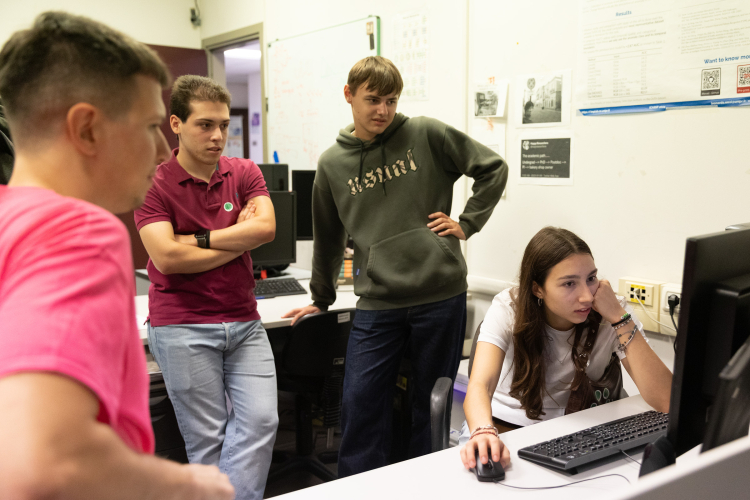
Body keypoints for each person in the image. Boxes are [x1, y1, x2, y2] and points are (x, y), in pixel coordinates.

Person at [0, 12, 234, 499]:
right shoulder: (77, 233)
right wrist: (188, 486)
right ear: (86, 129)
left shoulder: (11, 223)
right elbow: (47, 459)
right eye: (150, 126)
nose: (162, 150)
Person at [283, 56, 509, 476]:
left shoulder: (426, 133)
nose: (383, 110)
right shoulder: (332, 164)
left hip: (440, 296)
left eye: (391, 100)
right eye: (373, 99)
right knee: (359, 406)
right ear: (349, 95)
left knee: (431, 407)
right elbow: (328, 238)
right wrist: (321, 298)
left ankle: (427, 484)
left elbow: (492, 169)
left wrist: (467, 223)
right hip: (378, 303)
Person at [135, 75, 278, 500]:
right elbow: (166, 258)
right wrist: (237, 240)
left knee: (262, 421)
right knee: (208, 442)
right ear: (176, 124)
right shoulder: (153, 182)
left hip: (244, 322)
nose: (217, 136)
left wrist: (193, 239)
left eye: (223, 125)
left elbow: (265, 229)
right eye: (205, 125)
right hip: (182, 325)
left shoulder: (244, 172)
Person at [459, 227, 672, 471]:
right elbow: (480, 385)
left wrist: (618, 318)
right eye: (569, 283)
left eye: (591, 278)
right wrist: (483, 431)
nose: (586, 296)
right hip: (504, 426)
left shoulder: (613, 311)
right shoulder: (509, 307)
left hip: (581, 430)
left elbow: (667, 400)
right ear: (538, 289)